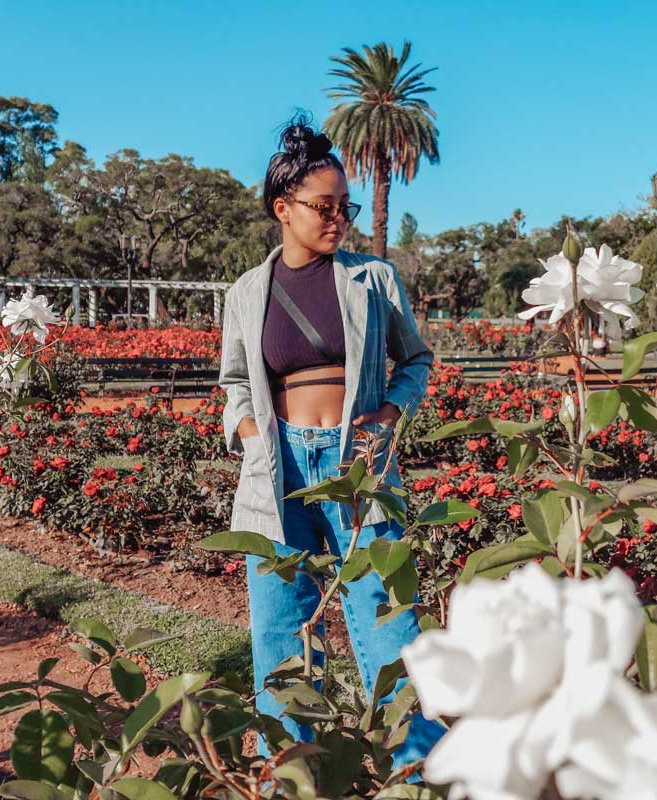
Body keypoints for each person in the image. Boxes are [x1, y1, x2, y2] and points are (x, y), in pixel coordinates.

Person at [217, 114, 444, 766]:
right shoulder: (245, 294)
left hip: (358, 468)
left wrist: (390, 417)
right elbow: (236, 380)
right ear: (282, 208)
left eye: (344, 207)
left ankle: (419, 769)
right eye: (324, 207)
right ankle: (288, 773)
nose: (338, 218)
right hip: (277, 467)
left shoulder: (373, 280)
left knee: (387, 619)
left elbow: (416, 362)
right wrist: (251, 433)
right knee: (281, 628)